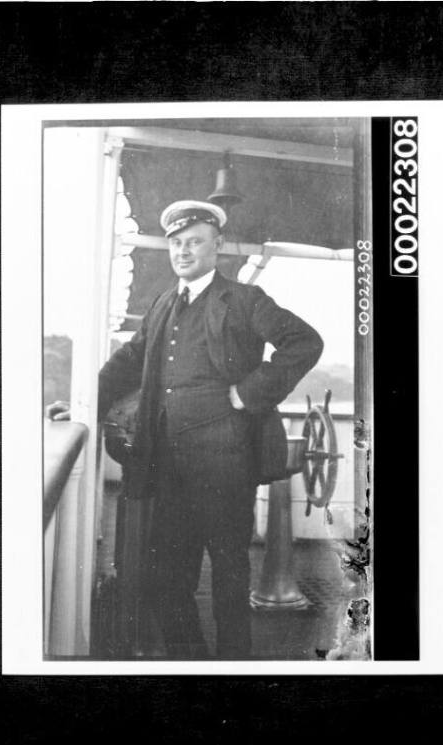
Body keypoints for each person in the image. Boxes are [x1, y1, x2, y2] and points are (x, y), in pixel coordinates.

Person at [48, 200, 323, 660]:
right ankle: (190, 663)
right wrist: (83, 402)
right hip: (169, 468)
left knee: (230, 582)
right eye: (176, 243)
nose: (183, 251)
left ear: (217, 246)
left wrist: (249, 392)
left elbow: (305, 342)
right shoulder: (161, 304)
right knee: (167, 582)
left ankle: (237, 671)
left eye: (194, 241)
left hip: (226, 468)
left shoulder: (243, 300)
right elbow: (129, 361)